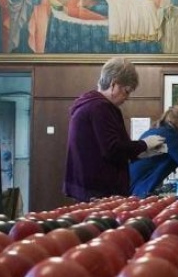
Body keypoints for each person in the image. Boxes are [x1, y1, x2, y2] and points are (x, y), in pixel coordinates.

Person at [63, 58, 166, 201]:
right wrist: (144, 144)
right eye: (126, 91)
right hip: (99, 193)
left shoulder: (88, 105)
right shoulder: (101, 108)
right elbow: (112, 149)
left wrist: (142, 152)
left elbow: (101, 147)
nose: (127, 97)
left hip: (89, 189)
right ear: (113, 84)